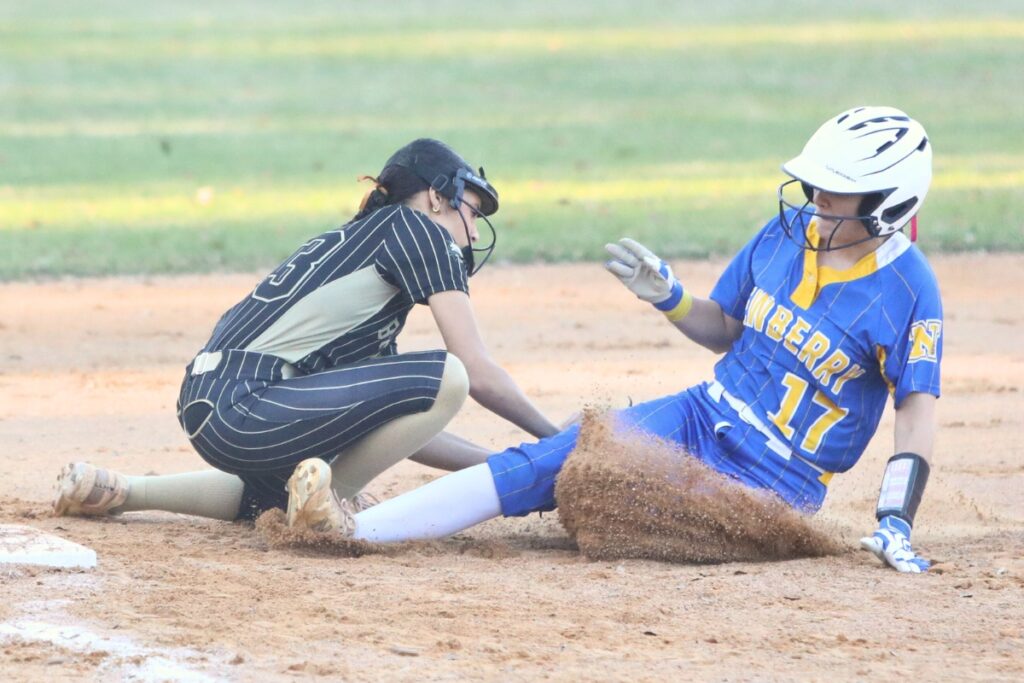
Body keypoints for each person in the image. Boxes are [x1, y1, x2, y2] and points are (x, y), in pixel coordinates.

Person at [284, 106, 941, 574]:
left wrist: (896, 520)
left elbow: (915, 415)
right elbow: (725, 330)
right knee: (574, 453)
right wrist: (670, 296)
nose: (817, 199)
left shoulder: (909, 292)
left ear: (888, 201)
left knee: (621, 496)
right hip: (699, 410)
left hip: (776, 479)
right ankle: (352, 529)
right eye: (817, 184)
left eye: (839, 193)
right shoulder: (782, 236)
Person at [53, 138, 560, 528]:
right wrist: (558, 444)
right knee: (450, 374)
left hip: (216, 404)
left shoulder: (365, 243)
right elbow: (474, 371)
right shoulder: (419, 232)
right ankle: (328, 506)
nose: (473, 233)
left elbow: (405, 425)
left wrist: (506, 467)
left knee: (271, 498)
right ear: (433, 197)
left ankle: (122, 490)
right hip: (252, 402)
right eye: (469, 212)